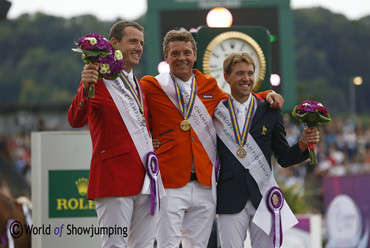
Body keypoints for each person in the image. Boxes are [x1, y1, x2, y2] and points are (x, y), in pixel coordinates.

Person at [141, 29, 284, 248]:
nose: (182, 58)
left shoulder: (208, 84)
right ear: (166, 57)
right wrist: (146, 141)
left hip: (204, 185)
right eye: (175, 53)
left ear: (195, 55)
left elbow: (238, 99)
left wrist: (267, 95)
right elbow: (135, 116)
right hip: (169, 183)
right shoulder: (151, 86)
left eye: (187, 52)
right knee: (167, 244)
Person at [68, 21, 162, 248]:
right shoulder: (98, 78)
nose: (139, 47)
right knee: (114, 245)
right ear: (113, 44)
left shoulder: (138, 85)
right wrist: (86, 86)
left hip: (147, 179)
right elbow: (75, 120)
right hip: (114, 178)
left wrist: (150, 141)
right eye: (132, 42)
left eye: (141, 43)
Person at [213, 52, 320, 247]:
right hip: (229, 197)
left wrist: (303, 144)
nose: (246, 79)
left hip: (263, 197)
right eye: (239, 73)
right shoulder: (215, 111)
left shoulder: (270, 111)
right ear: (227, 77)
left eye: (250, 73)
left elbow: (284, 157)